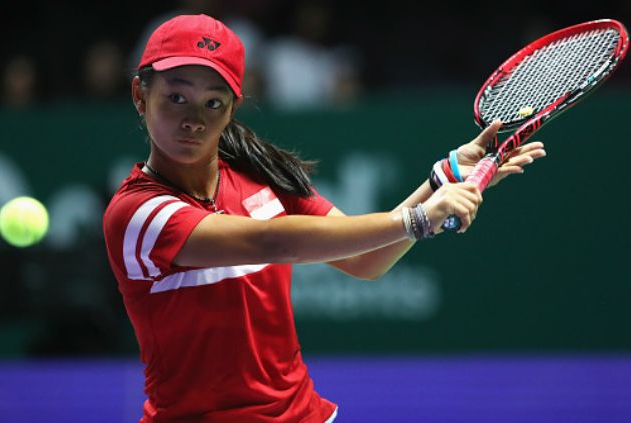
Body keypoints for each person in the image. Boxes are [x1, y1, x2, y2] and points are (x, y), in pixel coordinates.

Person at [102, 14, 545, 423]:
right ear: (140, 95)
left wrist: (440, 181)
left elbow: (365, 261)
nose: (193, 120)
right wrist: (418, 219)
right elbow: (269, 243)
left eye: (213, 103)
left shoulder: (261, 180)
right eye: (176, 97)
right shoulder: (138, 213)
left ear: (233, 109)